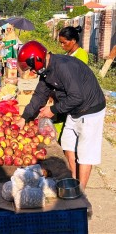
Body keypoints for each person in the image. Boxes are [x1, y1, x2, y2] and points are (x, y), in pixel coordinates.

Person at [16, 40, 106, 190]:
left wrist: (53, 110)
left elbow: (77, 97)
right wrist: (24, 117)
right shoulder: (46, 71)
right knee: (67, 144)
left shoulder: (63, 67)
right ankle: (73, 181)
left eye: (31, 67)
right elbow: (39, 95)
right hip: (74, 109)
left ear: (37, 59)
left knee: (85, 154)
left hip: (90, 110)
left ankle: (80, 192)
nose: (31, 71)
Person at [54, 25, 89, 136]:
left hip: (74, 97)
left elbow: (76, 77)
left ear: (73, 41)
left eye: (64, 42)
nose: (62, 45)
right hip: (64, 96)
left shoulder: (81, 54)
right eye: (60, 43)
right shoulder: (67, 54)